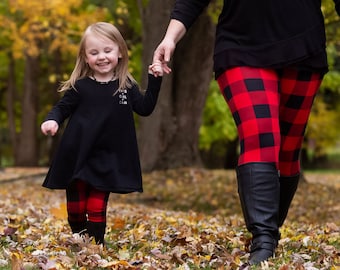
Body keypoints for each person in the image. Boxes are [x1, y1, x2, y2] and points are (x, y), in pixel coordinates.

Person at [152, 0, 340, 266]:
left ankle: (270, 232)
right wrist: (170, 38)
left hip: (303, 47)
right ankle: (262, 241)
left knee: (287, 151)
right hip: (240, 46)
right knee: (260, 135)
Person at [41, 22, 163, 245]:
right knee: (76, 208)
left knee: (96, 205)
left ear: (119, 52)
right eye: (94, 52)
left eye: (107, 51)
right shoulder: (81, 86)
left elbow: (145, 108)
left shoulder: (126, 85)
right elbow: (62, 107)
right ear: (85, 57)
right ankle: (79, 234)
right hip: (79, 154)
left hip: (108, 158)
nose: (102, 57)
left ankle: (95, 245)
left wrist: (155, 80)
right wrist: (52, 120)